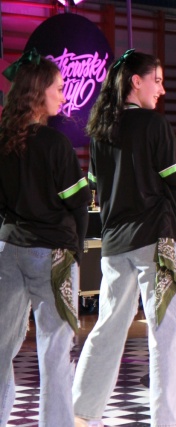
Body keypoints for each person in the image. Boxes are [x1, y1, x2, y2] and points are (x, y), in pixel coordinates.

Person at [72, 49, 176, 427]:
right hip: (156, 239)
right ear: (136, 82)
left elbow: (95, 188)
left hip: (114, 244)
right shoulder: (155, 125)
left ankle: (83, 412)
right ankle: (166, 418)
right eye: (157, 81)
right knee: (166, 332)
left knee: (108, 328)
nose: (162, 89)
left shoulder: (101, 131)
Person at [0, 48, 90, 427]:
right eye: (59, 88)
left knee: (1, 347)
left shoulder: (3, 141)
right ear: (39, 93)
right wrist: (76, 251)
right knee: (55, 350)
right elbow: (80, 202)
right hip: (53, 254)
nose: (64, 96)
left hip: (9, 250)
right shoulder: (54, 144)